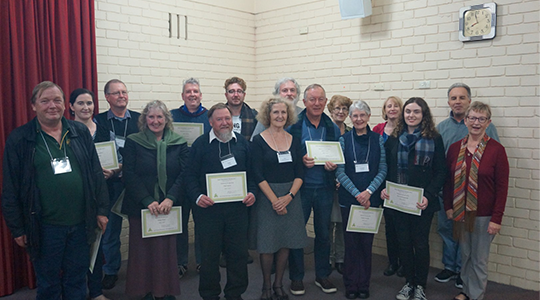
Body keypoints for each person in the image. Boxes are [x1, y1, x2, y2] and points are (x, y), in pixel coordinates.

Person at [2, 81, 109, 299]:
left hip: (81, 223)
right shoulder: (21, 139)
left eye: (57, 100)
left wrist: (102, 210)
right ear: (34, 105)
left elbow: (96, 174)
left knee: (77, 279)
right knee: (49, 283)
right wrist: (17, 228)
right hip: (44, 227)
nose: (52, 105)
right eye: (45, 100)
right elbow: (10, 187)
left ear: (64, 105)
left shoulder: (78, 131)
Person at [185, 103, 256, 300]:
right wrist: (198, 197)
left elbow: (253, 175)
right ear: (210, 122)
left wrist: (252, 192)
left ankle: (235, 293)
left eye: (228, 119)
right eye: (219, 119)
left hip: (237, 211)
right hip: (209, 211)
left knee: (238, 255)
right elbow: (189, 176)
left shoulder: (242, 143)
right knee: (209, 257)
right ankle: (209, 294)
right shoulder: (200, 145)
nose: (225, 123)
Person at [380, 97, 447, 300]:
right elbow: (386, 168)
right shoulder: (394, 137)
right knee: (404, 243)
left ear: (423, 114)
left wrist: (429, 195)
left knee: (420, 244)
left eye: (416, 112)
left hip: (422, 203)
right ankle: (408, 282)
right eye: (408, 111)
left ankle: (420, 285)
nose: (411, 115)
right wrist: (384, 189)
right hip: (398, 201)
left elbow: (441, 171)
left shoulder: (434, 138)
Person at [122, 100, 189, 300]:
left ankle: (164, 290)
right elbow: (129, 174)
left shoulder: (179, 142)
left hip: (169, 206)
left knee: (166, 251)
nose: (155, 121)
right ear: (144, 119)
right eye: (151, 116)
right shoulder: (134, 141)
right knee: (142, 252)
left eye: (160, 116)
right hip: (141, 206)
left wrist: (170, 198)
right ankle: (144, 291)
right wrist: (147, 200)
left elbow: (185, 174)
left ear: (166, 119)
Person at [435, 83, 499, 288]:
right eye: (453, 98)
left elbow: (494, 158)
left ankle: (465, 273)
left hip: (473, 195)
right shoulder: (442, 128)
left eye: (462, 98)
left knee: (469, 238)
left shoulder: (485, 126)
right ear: (448, 102)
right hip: (448, 191)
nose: (457, 102)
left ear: (469, 101)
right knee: (447, 229)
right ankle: (450, 267)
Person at [443, 102, 509, 300]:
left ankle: (477, 295)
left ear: (488, 123)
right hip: (460, 212)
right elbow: (448, 181)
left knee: (479, 259)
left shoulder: (497, 150)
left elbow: (502, 187)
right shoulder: (455, 149)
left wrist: (496, 218)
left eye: (481, 119)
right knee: (465, 255)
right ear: (465, 121)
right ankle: (466, 290)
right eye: (472, 118)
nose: (476, 122)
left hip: (484, 215)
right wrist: (448, 207)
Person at [287, 84, 341, 296]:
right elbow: (287, 156)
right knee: (298, 234)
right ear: (304, 102)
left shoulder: (333, 128)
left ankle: (322, 275)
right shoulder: (294, 125)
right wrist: (300, 161)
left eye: (320, 100)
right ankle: (296, 277)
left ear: (325, 102)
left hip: (325, 188)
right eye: (312, 100)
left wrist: (334, 165)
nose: (317, 103)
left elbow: (339, 155)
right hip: (301, 188)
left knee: (323, 234)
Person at [252, 98, 308, 300]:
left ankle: (278, 285)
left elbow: (300, 173)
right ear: (268, 115)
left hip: (291, 197)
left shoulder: (293, 139)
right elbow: (257, 174)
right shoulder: (258, 140)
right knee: (268, 244)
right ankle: (266, 286)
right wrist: (275, 200)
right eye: (275, 112)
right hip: (267, 197)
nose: (280, 116)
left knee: (285, 242)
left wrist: (289, 197)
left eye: (283, 113)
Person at [336, 100, 387, 299]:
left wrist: (368, 192)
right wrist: (357, 194)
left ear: (368, 116)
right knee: (351, 244)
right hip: (348, 200)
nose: (358, 119)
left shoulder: (378, 139)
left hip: (370, 202)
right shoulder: (343, 140)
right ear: (350, 118)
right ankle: (350, 284)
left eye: (362, 115)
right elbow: (340, 171)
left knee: (366, 244)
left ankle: (363, 284)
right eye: (354, 116)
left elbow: (382, 168)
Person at [94, 79, 141, 290]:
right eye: (116, 93)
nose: (121, 95)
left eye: (124, 92)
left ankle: (141, 270)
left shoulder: (140, 120)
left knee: (140, 230)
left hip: (135, 185)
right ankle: (111, 271)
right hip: (110, 186)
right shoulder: (99, 121)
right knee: (110, 232)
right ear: (107, 97)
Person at [69, 88, 110, 300]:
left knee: (97, 247)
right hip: (77, 198)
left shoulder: (103, 129)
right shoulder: (66, 131)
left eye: (89, 103)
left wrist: (115, 168)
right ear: (71, 107)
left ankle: (96, 292)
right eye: (81, 103)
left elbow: (116, 155)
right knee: (76, 251)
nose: (86, 108)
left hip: (101, 193)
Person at [170, 77, 209, 278]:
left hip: (202, 181)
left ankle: (203, 261)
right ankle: (180, 262)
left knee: (202, 223)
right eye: (188, 92)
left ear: (200, 95)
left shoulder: (209, 116)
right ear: (183, 96)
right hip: (178, 178)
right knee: (180, 224)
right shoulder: (172, 116)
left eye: (195, 91)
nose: (192, 95)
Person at [372, 96, 404, 277]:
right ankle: (393, 262)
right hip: (382, 184)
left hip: (401, 183)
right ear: (384, 110)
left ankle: (405, 262)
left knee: (403, 227)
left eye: (396, 106)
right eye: (388, 106)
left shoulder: (407, 130)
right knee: (389, 226)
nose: (392, 108)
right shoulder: (377, 129)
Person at [326, 94, 353, 275]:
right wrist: (334, 178)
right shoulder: (325, 130)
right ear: (331, 110)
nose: (341, 112)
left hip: (346, 185)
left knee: (344, 223)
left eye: (344, 109)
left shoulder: (352, 132)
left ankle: (341, 258)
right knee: (327, 223)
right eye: (337, 108)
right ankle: (328, 257)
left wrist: (342, 180)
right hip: (327, 183)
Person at [224, 76, 258, 140]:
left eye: (239, 91)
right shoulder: (218, 115)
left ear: (244, 95)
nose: (236, 95)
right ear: (226, 95)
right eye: (232, 91)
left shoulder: (254, 115)